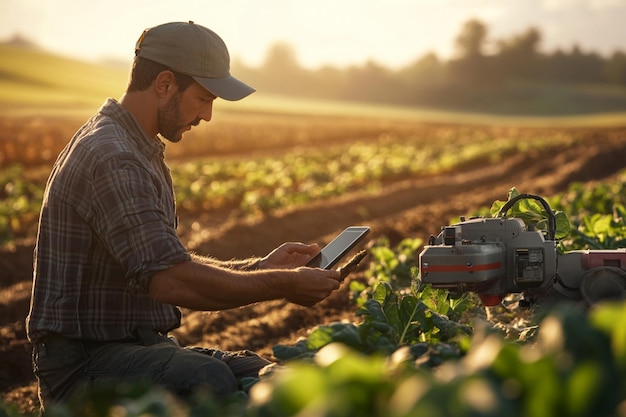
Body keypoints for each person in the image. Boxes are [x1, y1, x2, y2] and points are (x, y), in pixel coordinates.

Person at [26, 21, 346, 410]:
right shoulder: (113, 156)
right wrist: (283, 284)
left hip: (133, 349)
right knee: (206, 378)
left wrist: (260, 267)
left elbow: (167, 262)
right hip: (81, 367)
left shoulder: (135, 147)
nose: (208, 115)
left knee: (260, 374)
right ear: (164, 84)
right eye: (204, 98)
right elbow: (171, 281)